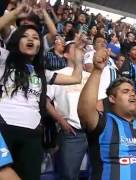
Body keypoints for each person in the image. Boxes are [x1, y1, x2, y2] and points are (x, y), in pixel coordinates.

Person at [77, 48, 136, 180]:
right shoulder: (104, 123)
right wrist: (97, 70)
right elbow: (84, 110)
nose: (132, 93)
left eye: (133, 91)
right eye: (125, 91)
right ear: (112, 98)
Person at [0, 25, 82, 180]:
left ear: (39, 47)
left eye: (36, 37)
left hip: (33, 134)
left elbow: (75, 78)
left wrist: (77, 56)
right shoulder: (4, 60)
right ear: (16, 41)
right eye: (25, 36)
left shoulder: (43, 73)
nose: (31, 39)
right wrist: (17, 12)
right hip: (4, 129)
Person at [46, 41, 89, 180]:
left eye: (81, 48)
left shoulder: (89, 75)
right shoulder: (57, 74)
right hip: (72, 132)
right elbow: (45, 101)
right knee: (69, 176)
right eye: (75, 48)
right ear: (65, 54)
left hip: (93, 131)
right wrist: (61, 122)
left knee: (98, 173)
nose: (79, 50)